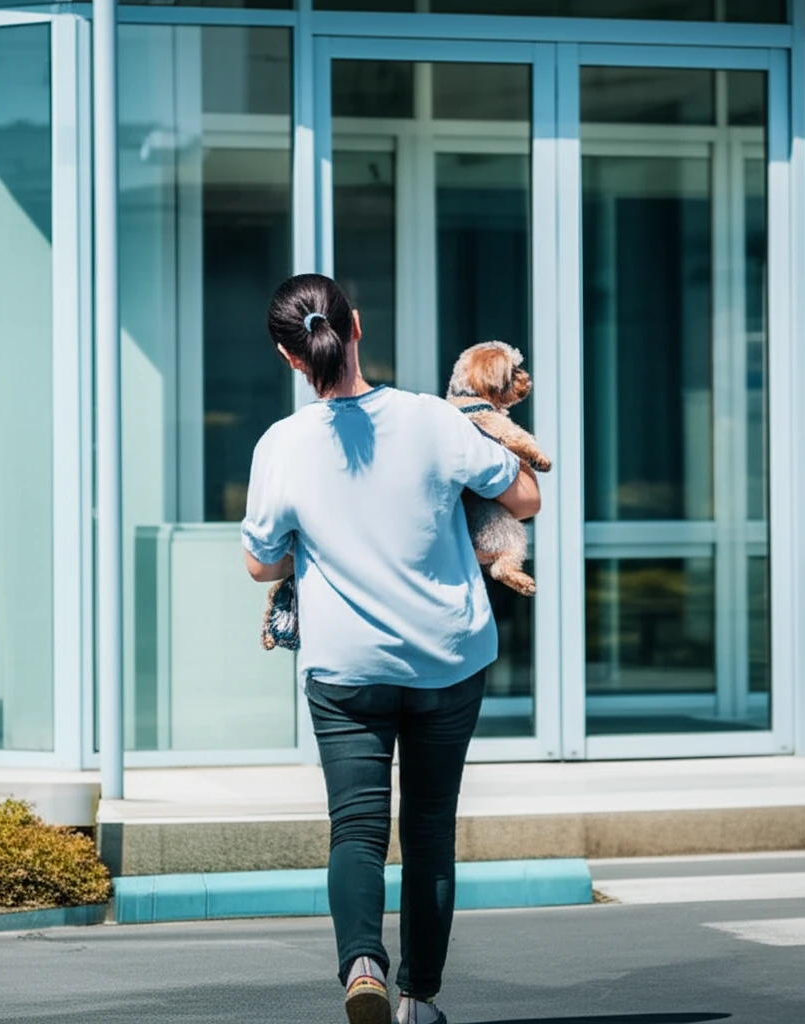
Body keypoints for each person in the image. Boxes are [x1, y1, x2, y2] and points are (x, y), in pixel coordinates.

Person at [241, 273, 541, 1024]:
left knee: (356, 827)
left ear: (289, 356)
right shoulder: (432, 420)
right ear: (357, 327)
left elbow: (260, 562)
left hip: (346, 669)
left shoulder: (282, 444)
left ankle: (362, 968)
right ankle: (418, 1001)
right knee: (430, 829)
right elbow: (526, 498)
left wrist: (320, 543)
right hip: (447, 659)